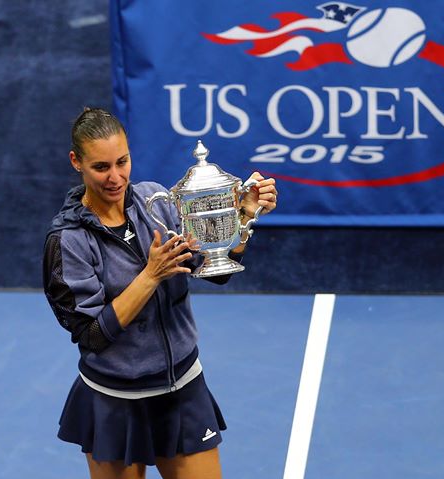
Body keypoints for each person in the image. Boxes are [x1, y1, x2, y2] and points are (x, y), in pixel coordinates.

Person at [42, 107, 278, 479]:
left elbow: (212, 271)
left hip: (182, 389)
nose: (116, 177)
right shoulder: (68, 241)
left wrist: (243, 219)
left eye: (122, 161)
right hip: (114, 401)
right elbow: (91, 334)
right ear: (77, 162)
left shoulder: (156, 201)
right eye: (101, 167)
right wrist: (150, 276)